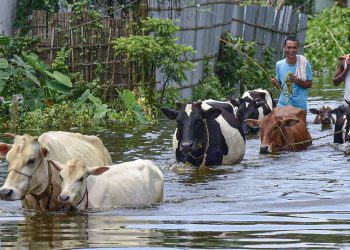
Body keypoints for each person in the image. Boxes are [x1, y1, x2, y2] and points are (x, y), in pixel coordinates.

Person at [272, 36, 312, 112]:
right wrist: (276, 84)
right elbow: (281, 87)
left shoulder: (304, 63)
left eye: (294, 48)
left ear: (297, 48)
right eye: (289, 47)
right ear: (284, 48)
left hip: (299, 107)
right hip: (282, 105)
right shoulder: (279, 64)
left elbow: (309, 84)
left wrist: (296, 80)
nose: (291, 50)